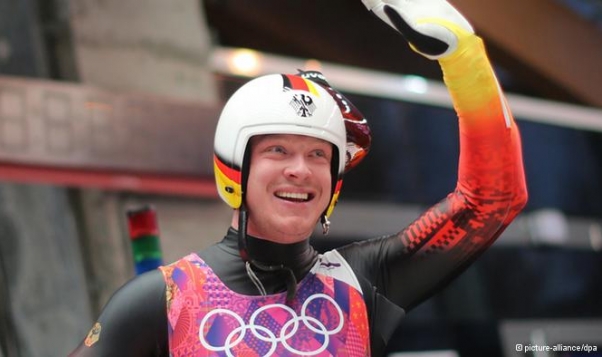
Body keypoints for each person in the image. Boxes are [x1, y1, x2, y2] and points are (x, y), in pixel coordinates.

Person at [70, 0, 528, 355]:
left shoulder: (364, 281)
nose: (300, 169)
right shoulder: (159, 301)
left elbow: (493, 199)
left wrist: (464, 59)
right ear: (235, 164)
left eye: (317, 154)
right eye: (277, 150)